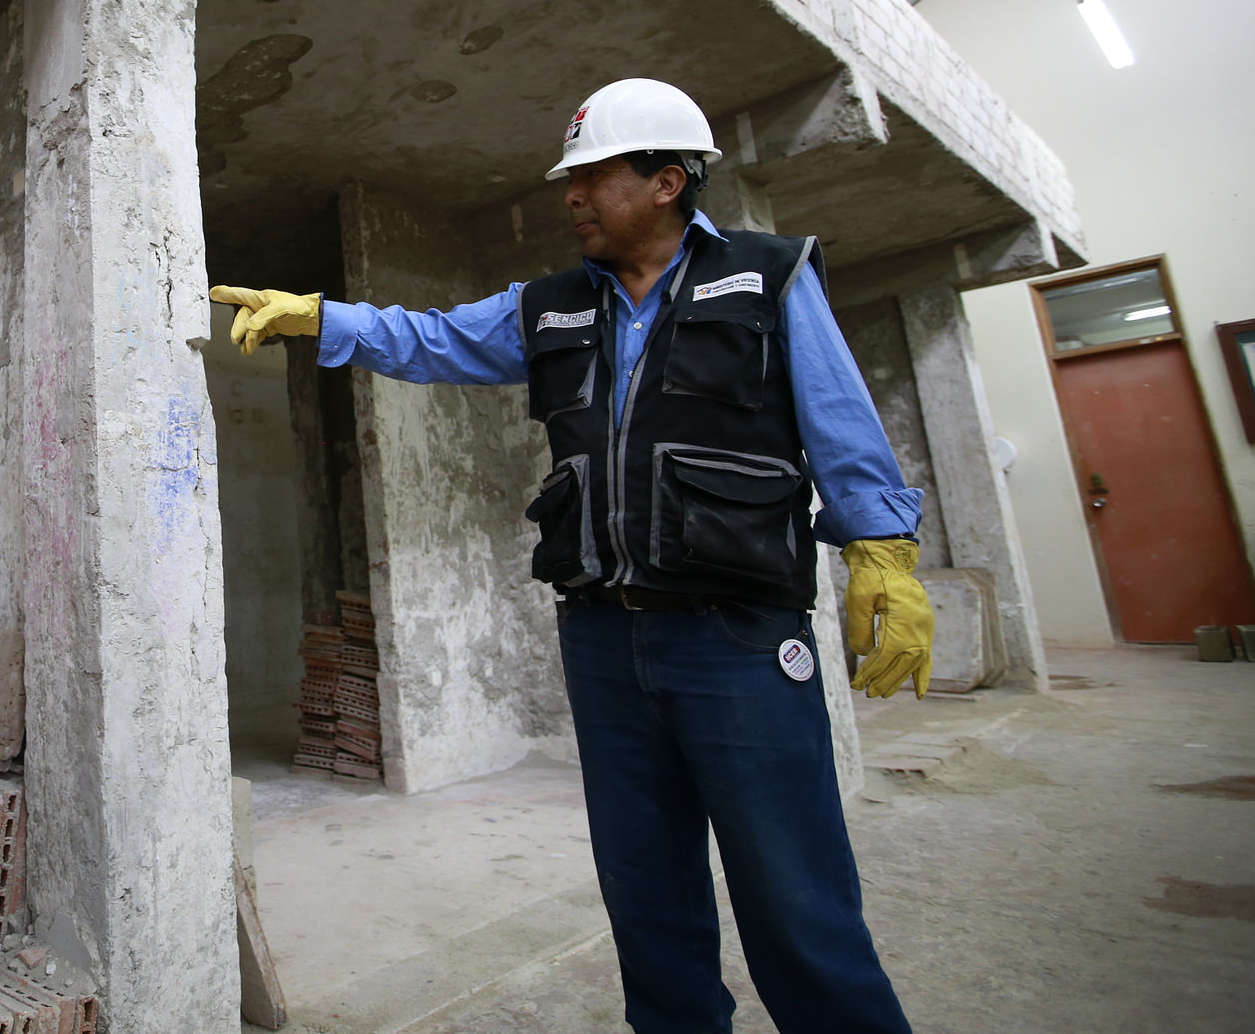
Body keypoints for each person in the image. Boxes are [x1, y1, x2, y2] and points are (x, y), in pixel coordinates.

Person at [211, 77, 935, 1034]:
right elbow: (432, 339)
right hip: (604, 644)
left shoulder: (769, 278)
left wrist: (882, 552)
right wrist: (321, 318)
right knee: (647, 900)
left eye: (593, 176)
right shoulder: (550, 305)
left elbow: (839, 420)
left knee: (796, 897)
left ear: (668, 180)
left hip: (741, 644)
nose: (572, 196)